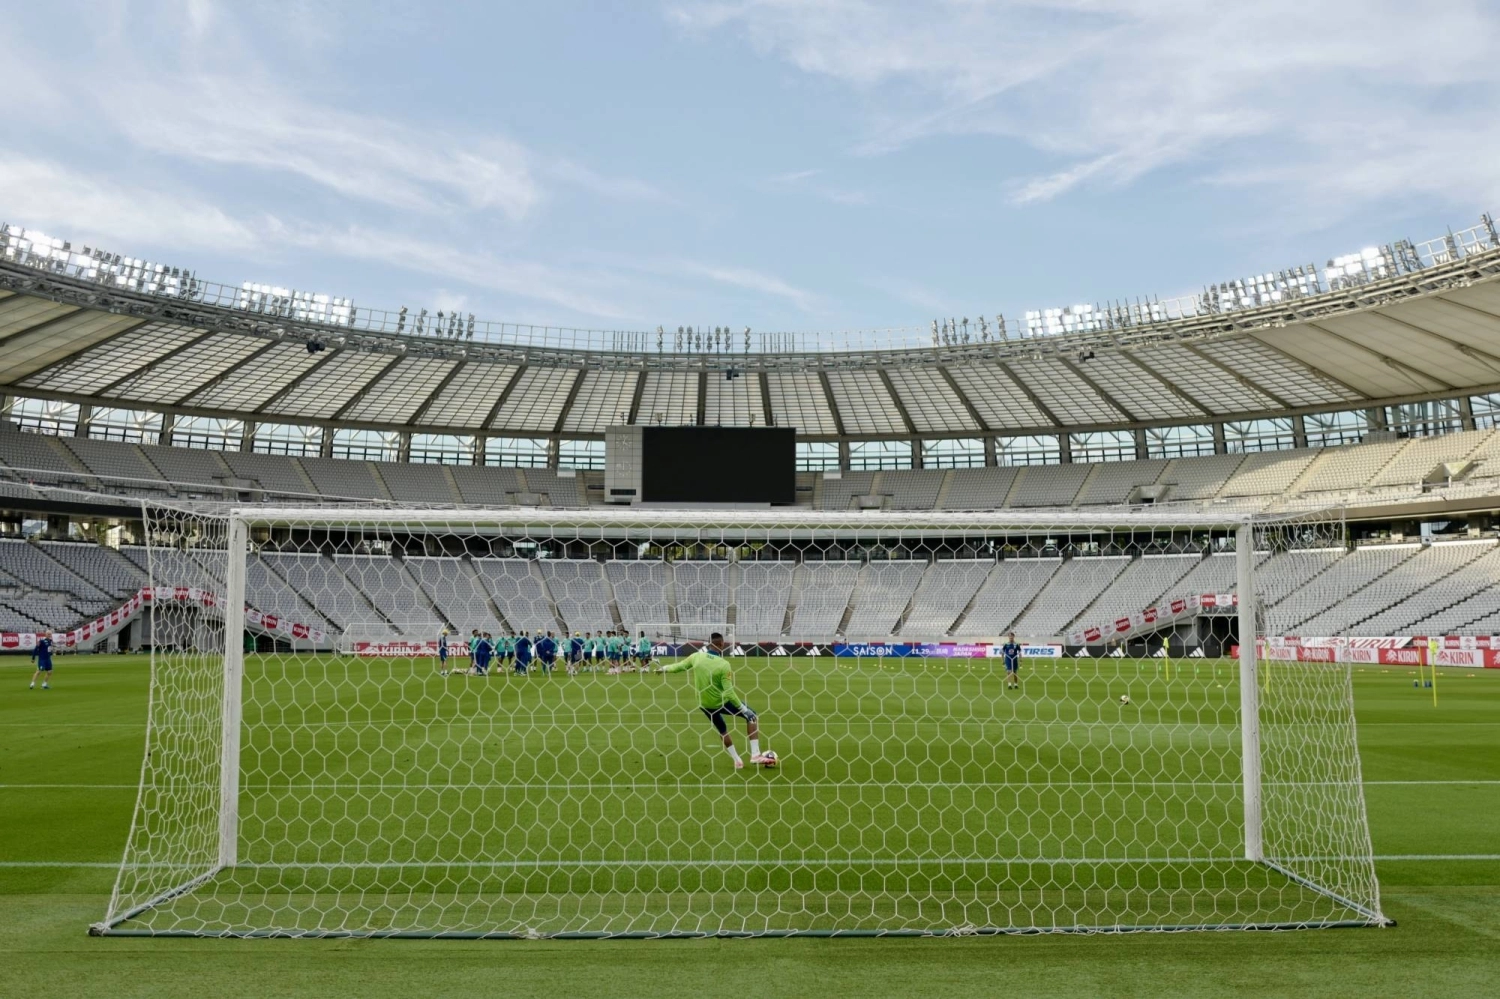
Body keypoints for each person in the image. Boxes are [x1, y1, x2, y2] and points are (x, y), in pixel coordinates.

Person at [658, 632, 769, 769]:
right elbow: (729, 692)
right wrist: (744, 710)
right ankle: (755, 755)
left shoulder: (696, 657)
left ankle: (737, 761)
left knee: (722, 730)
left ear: (708, 644)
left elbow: (679, 666)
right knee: (752, 717)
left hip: (704, 704)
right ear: (722, 644)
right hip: (720, 702)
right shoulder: (723, 664)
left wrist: (664, 668)